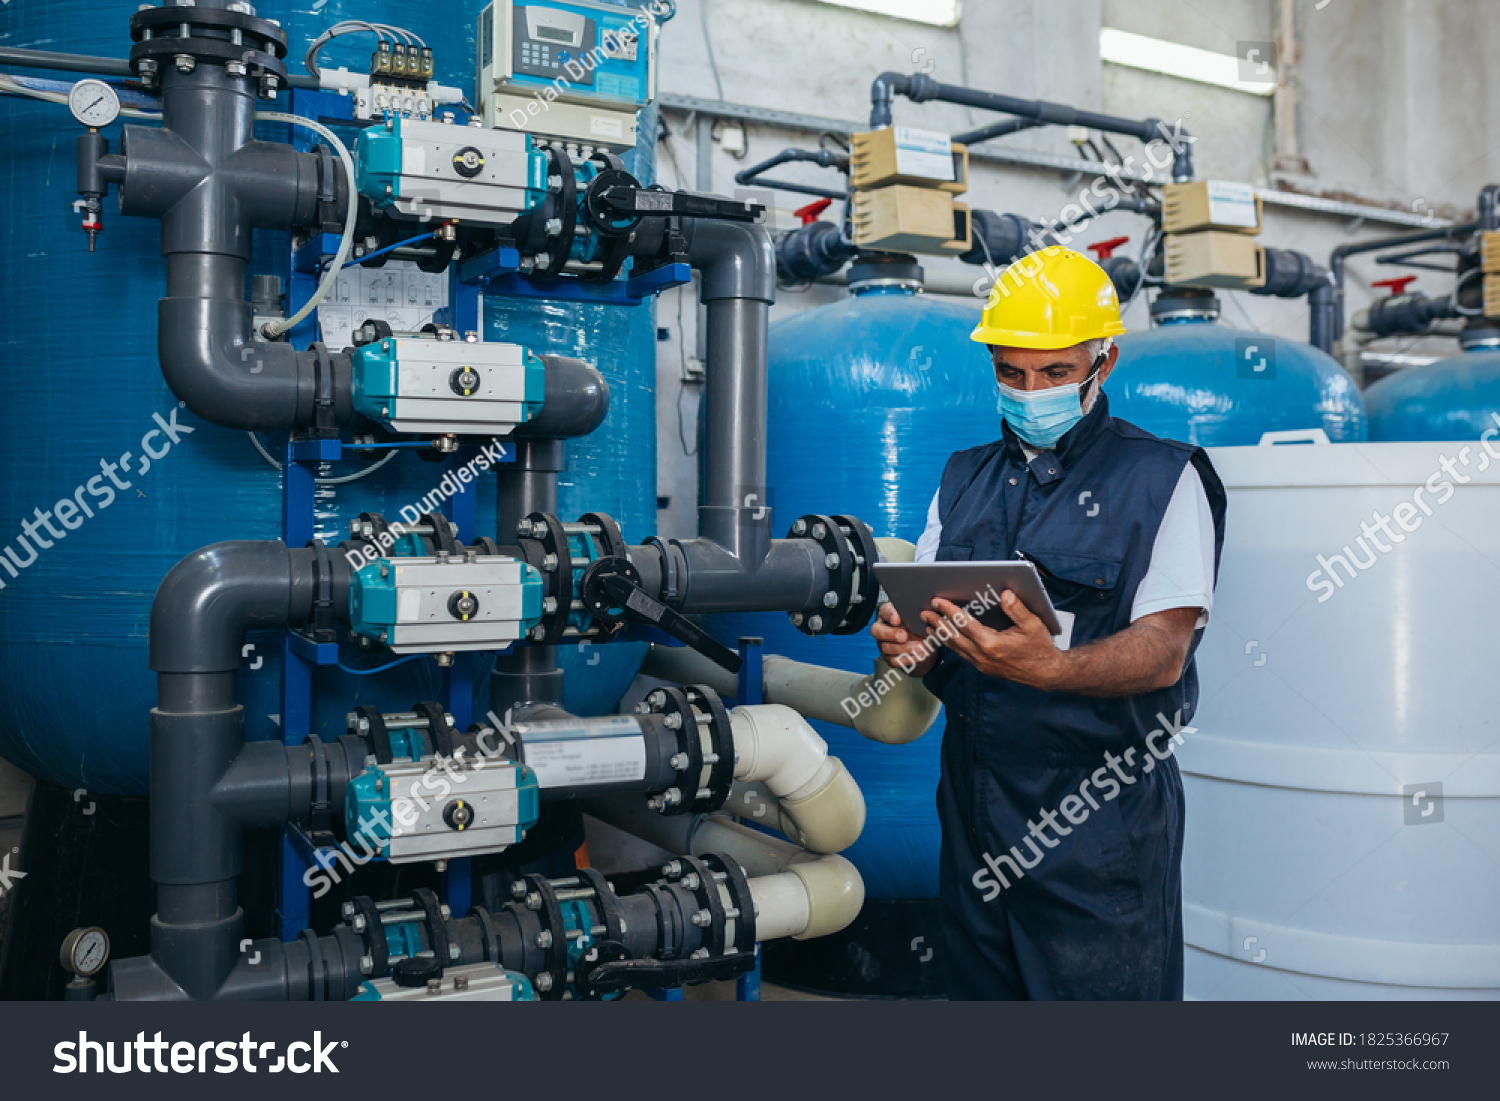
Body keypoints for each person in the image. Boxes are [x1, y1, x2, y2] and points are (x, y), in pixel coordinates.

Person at [871, 246, 1226, 1000]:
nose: (1031, 391)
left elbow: (1164, 650)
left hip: (1096, 832)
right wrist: (910, 648)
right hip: (972, 816)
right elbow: (941, 644)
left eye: (1056, 373)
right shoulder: (961, 478)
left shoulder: (1163, 479)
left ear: (1104, 361)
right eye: (1012, 372)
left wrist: (1052, 669)